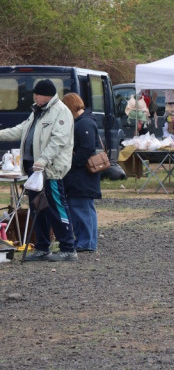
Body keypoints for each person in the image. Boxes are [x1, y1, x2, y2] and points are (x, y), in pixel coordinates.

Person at [0, 79, 77, 261]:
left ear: (47, 95)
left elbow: (59, 140)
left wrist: (43, 160)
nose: (34, 97)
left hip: (49, 171)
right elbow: (21, 130)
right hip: (34, 172)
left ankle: (68, 248)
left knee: (57, 208)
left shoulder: (61, 112)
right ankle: (42, 247)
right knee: (37, 209)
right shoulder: (37, 111)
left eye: (37, 94)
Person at [61, 92, 101, 253]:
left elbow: (87, 148)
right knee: (85, 208)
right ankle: (87, 241)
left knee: (80, 207)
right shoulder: (86, 121)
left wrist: (73, 163)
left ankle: (86, 242)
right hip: (83, 174)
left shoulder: (83, 123)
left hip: (81, 175)